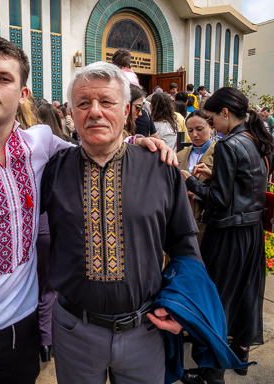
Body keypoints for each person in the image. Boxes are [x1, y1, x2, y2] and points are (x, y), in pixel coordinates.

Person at [0, 37, 174, 384]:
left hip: (19, 325)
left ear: (23, 94)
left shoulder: (39, 145)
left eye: (3, 78)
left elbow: (92, 144)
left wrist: (136, 141)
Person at [40, 62, 241, 384]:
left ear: (126, 111)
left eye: (106, 102)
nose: (94, 112)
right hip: (73, 330)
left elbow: (184, 248)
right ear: (71, 113)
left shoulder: (160, 169)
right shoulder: (52, 170)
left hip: (144, 330)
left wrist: (179, 306)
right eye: (83, 103)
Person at [181, 87, 274, 383]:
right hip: (252, 231)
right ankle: (241, 357)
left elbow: (220, 200)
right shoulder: (257, 139)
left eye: (210, 118)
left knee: (216, 301)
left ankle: (213, 374)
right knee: (247, 295)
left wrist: (191, 181)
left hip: (228, 235)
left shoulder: (228, 145)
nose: (211, 126)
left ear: (224, 113)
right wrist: (214, 176)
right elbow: (246, 187)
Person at [177, 110, 215, 246]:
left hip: (206, 221)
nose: (194, 135)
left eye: (199, 129)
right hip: (180, 219)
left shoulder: (220, 154)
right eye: (190, 130)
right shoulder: (180, 156)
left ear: (211, 127)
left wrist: (197, 190)